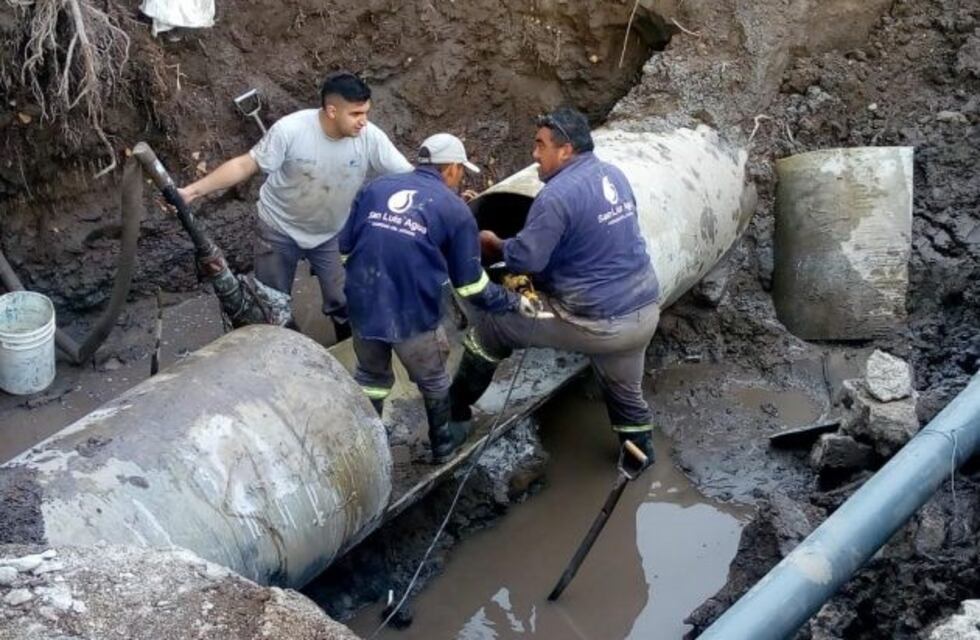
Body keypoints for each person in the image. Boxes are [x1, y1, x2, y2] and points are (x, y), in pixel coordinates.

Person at [452, 107, 662, 472]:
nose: (535, 154)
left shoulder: (557, 196)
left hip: (592, 321)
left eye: (540, 145)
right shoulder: (612, 174)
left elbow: (526, 260)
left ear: (565, 151)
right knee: (626, 394)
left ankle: (452, 415)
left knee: (493, 328)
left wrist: (494, 244)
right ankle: (638, 462)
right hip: (642, 311)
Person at [338, 133, 531, 463]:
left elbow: (345, 249)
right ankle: (443, 442)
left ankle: (371, 450)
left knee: (371, 377)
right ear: (453, 168)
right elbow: (471, 286)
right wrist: (512, 302)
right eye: (461, 172)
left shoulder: (377, 188)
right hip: (410, 314)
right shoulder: (456, 211)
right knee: (433, 378)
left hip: (362, 302)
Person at [177, 71, 412, 341]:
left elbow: (407, 176)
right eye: (356, 114)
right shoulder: (291, 130)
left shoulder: (370, 138)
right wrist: (193, 191)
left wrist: (437, 198)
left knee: (345, 299)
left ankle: (348, 348)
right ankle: (286, 347)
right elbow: (245, 164)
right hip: (279, 228)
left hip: (331, 233)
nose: (363, 121)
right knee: (272, 303)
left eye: (366, 113)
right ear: (332, 110)